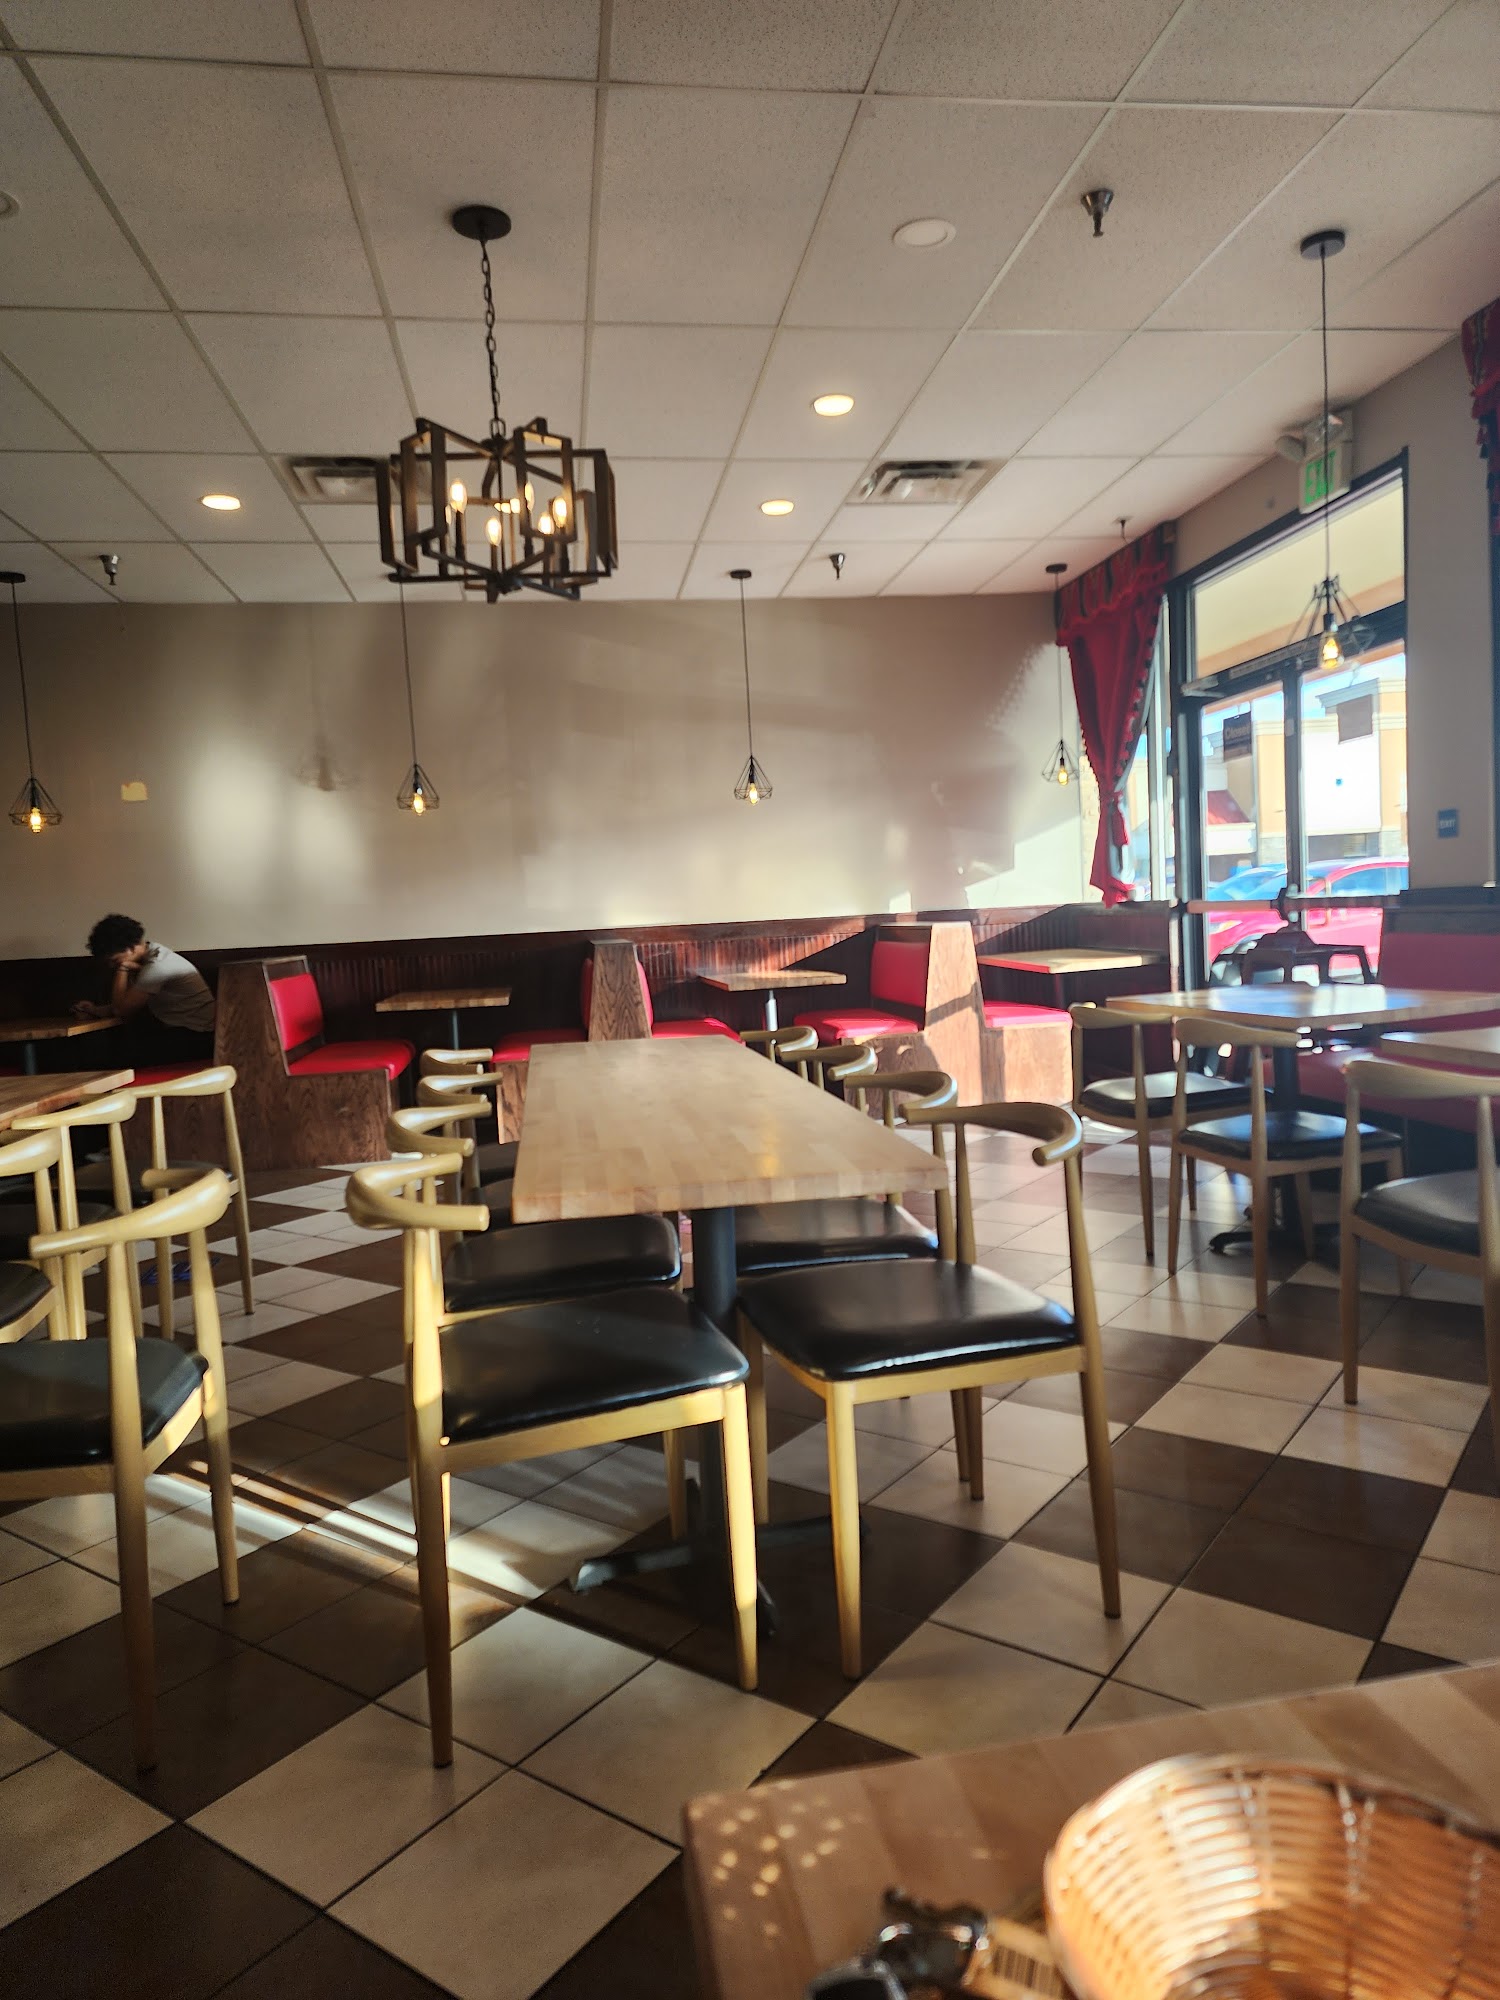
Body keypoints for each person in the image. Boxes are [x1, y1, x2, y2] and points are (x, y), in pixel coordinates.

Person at [78, 914, 216, 1064]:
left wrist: (122, 968)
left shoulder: (158, 965)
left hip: (200, 1036)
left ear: (131, 948)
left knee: (119, 1057)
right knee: (119, 1051)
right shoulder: (151, 957)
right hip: (185, 1032)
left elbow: (121, 1010)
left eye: (115, 961)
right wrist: (93, 1011)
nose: (112, 966)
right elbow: (126, 1004)